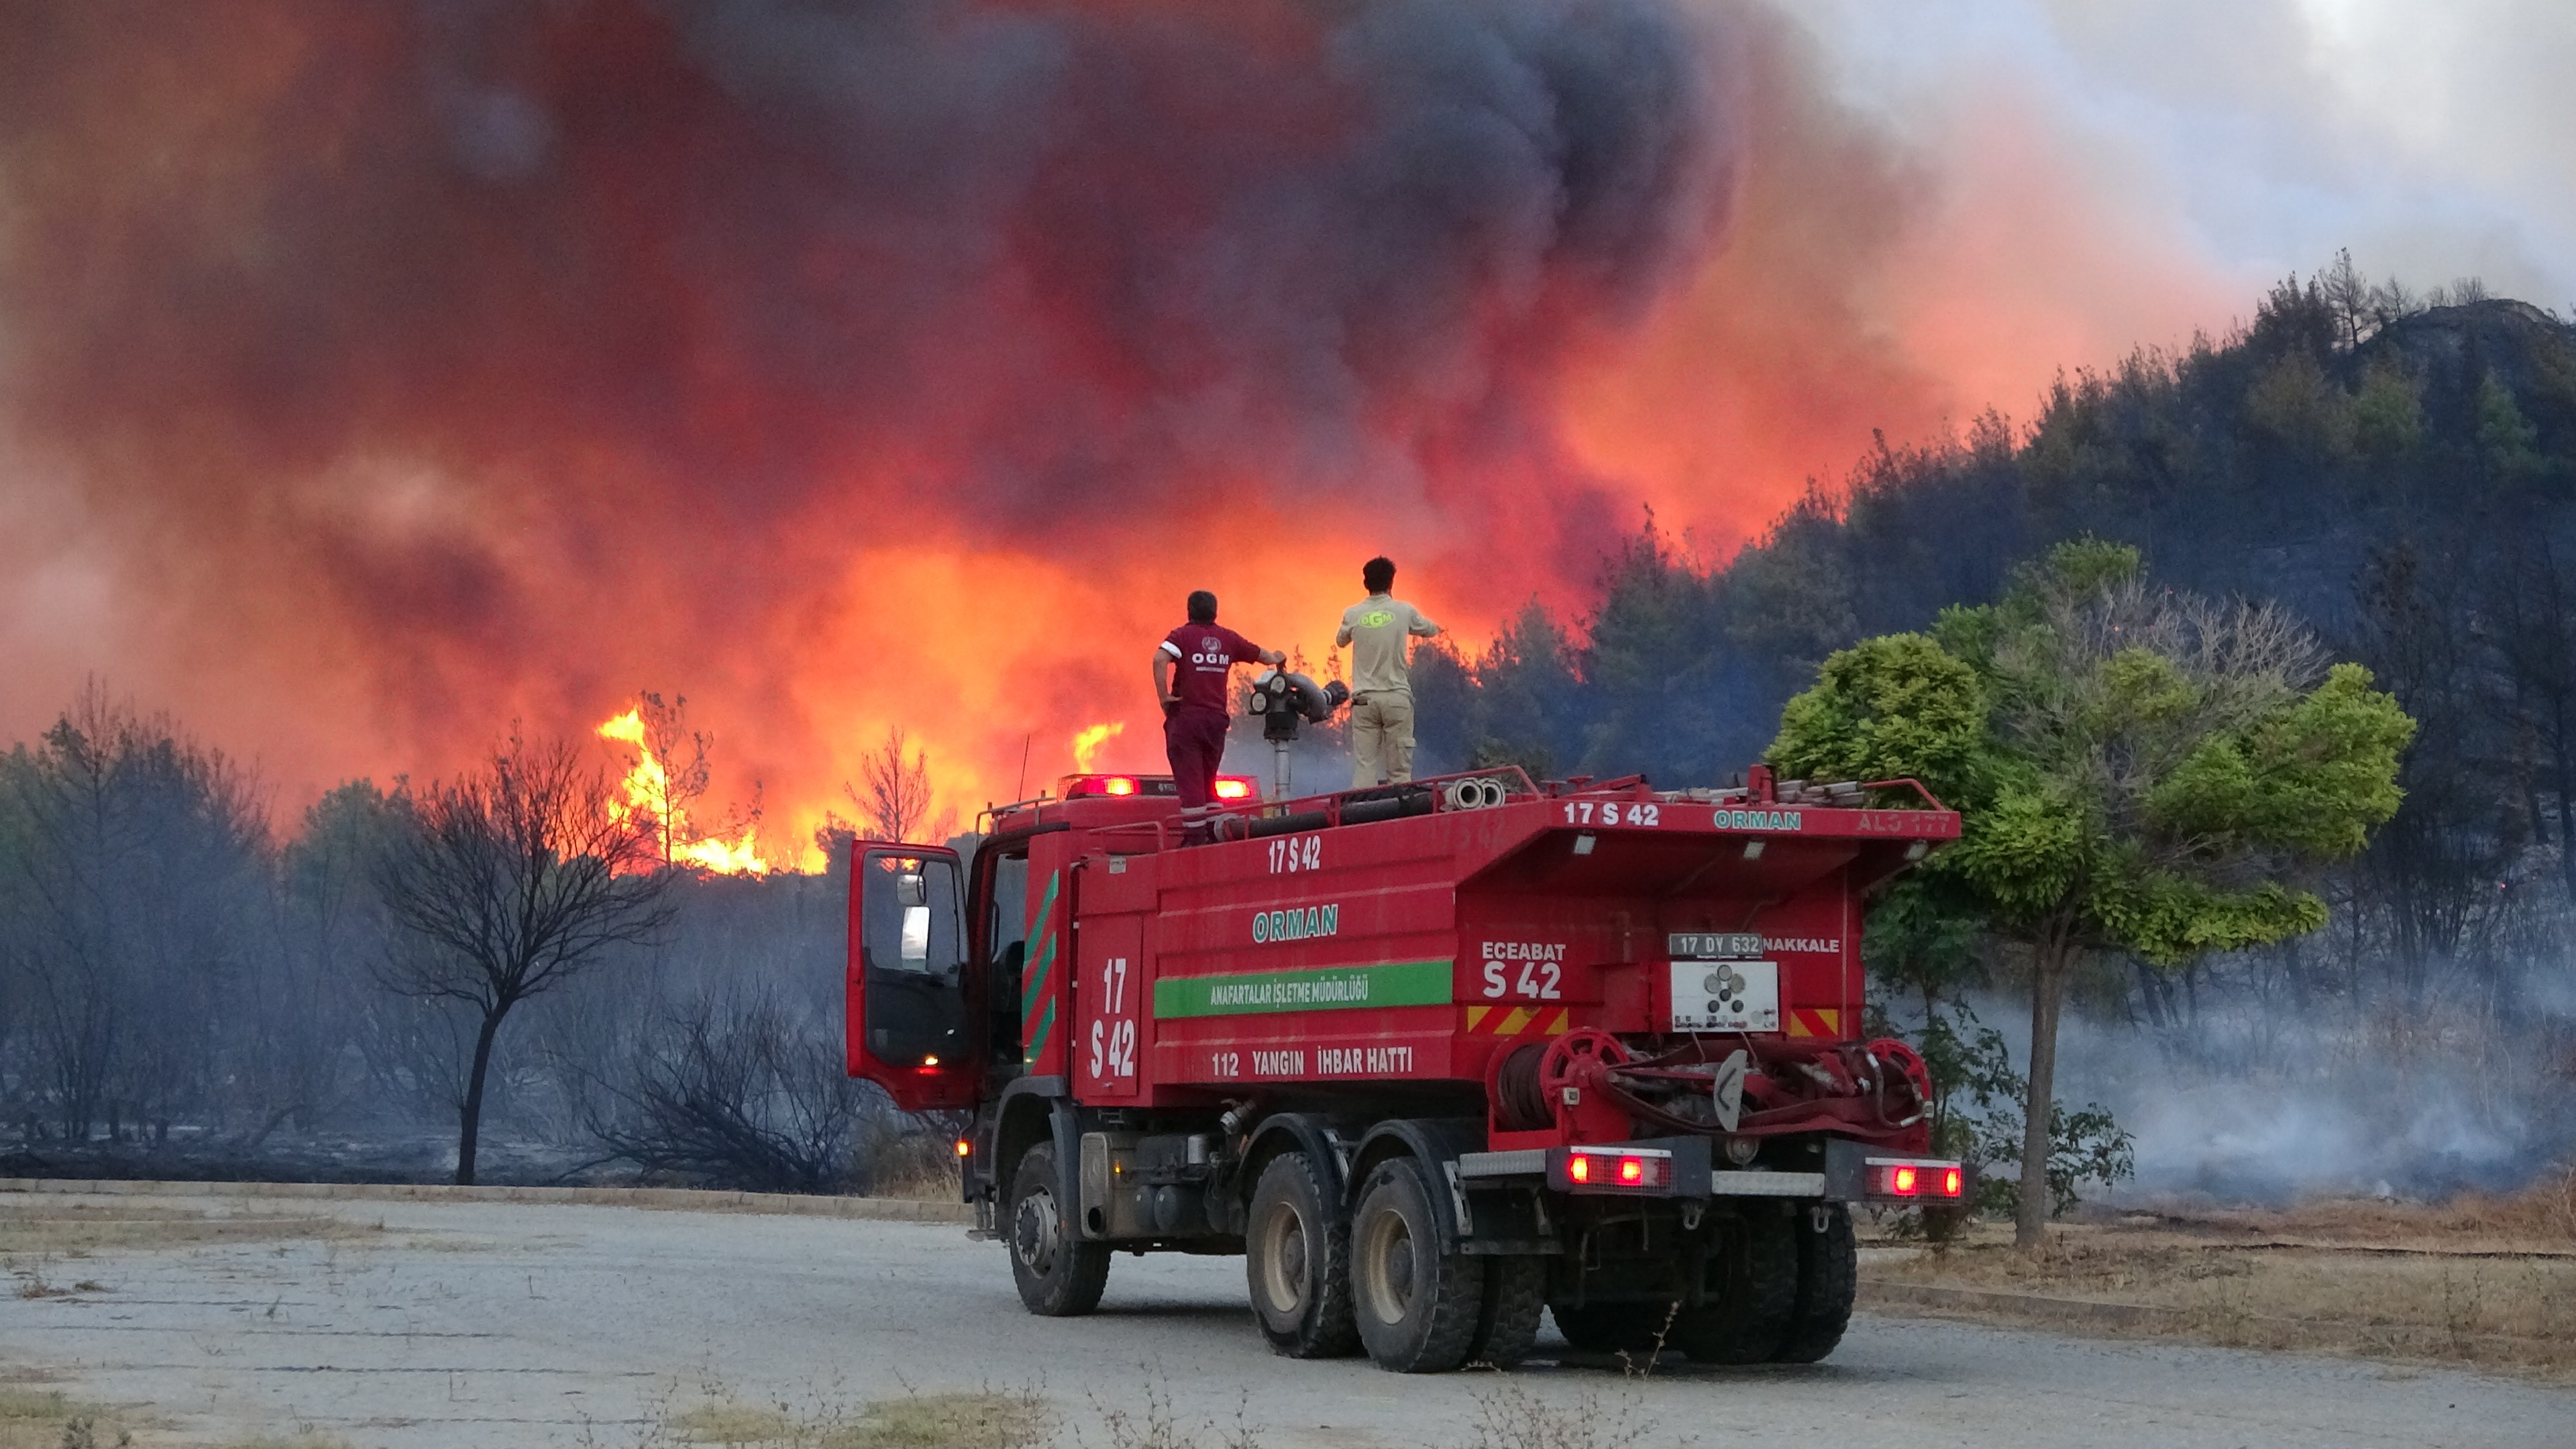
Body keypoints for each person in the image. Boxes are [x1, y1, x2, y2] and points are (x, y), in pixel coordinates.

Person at [1155, 590, 1283, 839]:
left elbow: (1160, 659)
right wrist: (1278, 657)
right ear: (1215, 612)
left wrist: (1164, 697)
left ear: (1189, 612)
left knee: (1190, 781)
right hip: (1216, 721)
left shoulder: (1182, 636)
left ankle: (1195, 840)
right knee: (1208, 781)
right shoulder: (1228, 638)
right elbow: (1264, 656)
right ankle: (1214, 834)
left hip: (1187, 719)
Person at [1336, 556, 1441, 788]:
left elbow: (1341, 641)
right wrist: (1440, 629)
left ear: (1365, 583)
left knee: (1365, 769)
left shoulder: (1352, 613)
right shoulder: (1404, 610)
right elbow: (1430, 629)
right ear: (1392, 582)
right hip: (1396, 698)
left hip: (1364, 700)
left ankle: (1363, 806)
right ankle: (1401, 807)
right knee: (1400, 773)